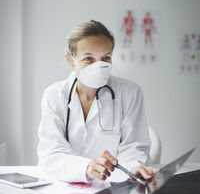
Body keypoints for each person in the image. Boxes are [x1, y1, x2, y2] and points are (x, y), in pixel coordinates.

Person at [37, 20, 158, 183]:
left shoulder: (130, 93)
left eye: (105, 58)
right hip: (65, 185)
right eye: (88, 58)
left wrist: (133, 168)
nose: (99, 66)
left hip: (113, 184)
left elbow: (134, 148)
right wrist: (86, 168)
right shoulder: (54, 96)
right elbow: (50, 155)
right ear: (70, 60)